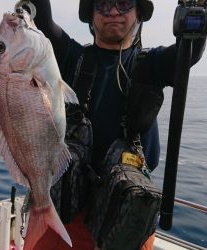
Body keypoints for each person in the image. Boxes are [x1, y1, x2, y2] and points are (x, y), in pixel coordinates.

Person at [20, 0, 206, 249]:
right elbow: (41, 20)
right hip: (64, 214)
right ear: (91, 16)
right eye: (103, 5)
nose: (114, 12)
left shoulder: (153, 64)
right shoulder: (70, 56)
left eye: (125, 4)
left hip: (125, 217)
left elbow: (190, 51)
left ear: (139, 13)